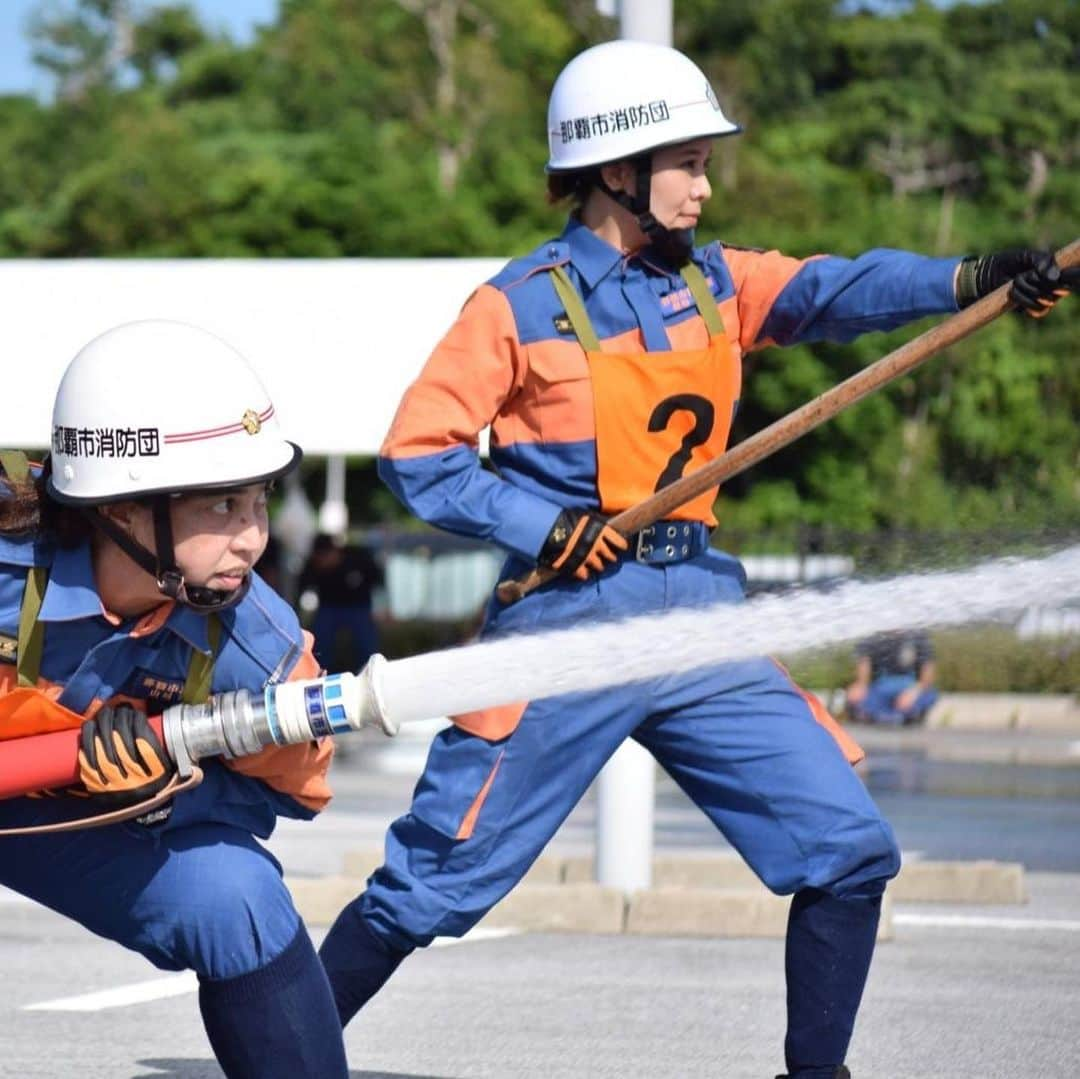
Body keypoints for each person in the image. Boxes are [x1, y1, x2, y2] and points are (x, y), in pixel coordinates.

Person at [317, 39, 1079, 1079]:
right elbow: (418, 455)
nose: (707, 184)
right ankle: (279, 1055)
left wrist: (968, 277)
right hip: (567, 623)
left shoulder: (723, 280)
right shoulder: (514, 303)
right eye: (690, 162)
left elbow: (838, 286)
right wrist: (543, 526)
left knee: (850, 852)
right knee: (432, 888)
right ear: (617, 169)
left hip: (707, 614)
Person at [0, 320, 348, 1078]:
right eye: (221, 505)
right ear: (122, 507)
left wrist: (167, 784)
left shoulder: (253, 639)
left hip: (48, 816)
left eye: (257, 502)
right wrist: (64, 731)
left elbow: (306, 782)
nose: (252, 538)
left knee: (236, 896)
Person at [298, 532, 383, 674]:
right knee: (321, 638)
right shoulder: (313, 565)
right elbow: (302, 587)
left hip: (358, 606)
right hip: (329, 607)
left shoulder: (357, 557)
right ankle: (320, 671)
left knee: (365, 640)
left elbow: (377, 579)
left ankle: (370, 671)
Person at [846, 629, 939, 726]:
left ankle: (907, 718)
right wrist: (861, 686)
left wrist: (914, 692)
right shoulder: (873, 636)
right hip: (880, 689)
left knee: (928, 695)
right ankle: (880, 717)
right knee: (857, 699)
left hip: (910, 688)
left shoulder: (918, 636)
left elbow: (928, 670)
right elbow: (864, 663)